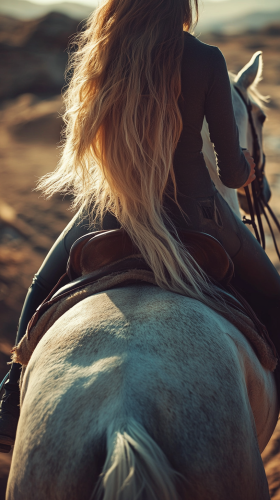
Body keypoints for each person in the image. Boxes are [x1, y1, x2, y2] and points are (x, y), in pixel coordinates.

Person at [0, 0, 280, 452]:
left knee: (41, 284)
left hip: (111, 210)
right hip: (198, 216)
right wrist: (245, 167)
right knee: (273, 292)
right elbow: (229, 175)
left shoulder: (105, 52)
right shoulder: (206, 59)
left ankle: (10, 399)